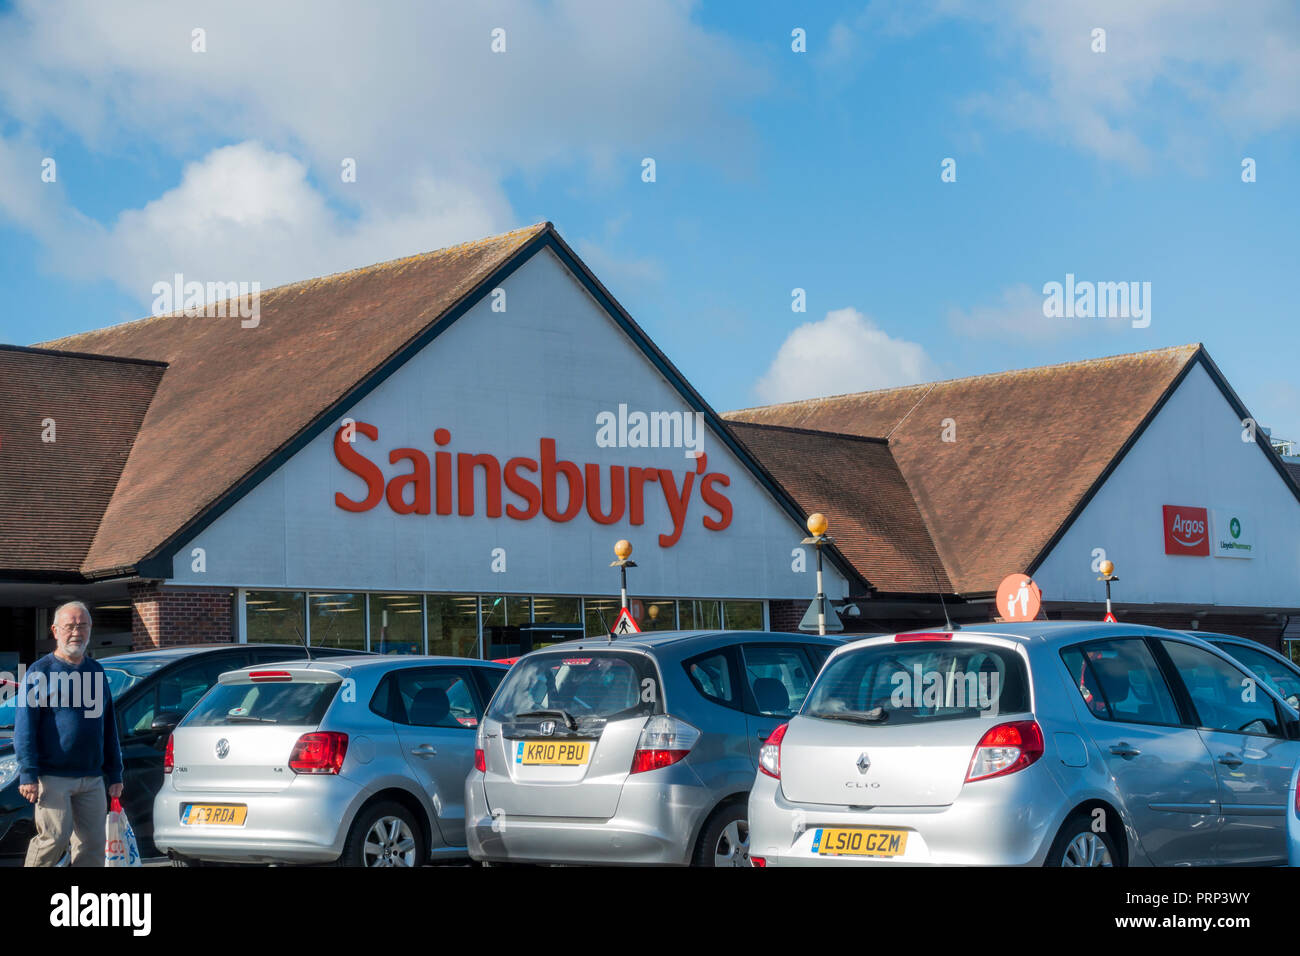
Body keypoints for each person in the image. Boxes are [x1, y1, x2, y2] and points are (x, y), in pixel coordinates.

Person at [14, 601, 124, 866]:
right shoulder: (39, 672)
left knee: (93, 845)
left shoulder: (96, 671)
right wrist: (27, 774)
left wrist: (115, 772)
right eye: (70, 626)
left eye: (82, 625)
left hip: (92, 777)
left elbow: (108, 726)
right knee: (54, 838)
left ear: (90, 629)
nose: (77, 632)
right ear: (54, 630)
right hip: (53, 776)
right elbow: (25, 727)